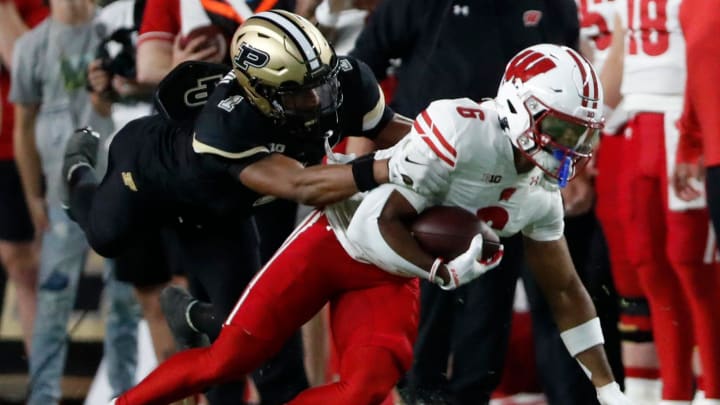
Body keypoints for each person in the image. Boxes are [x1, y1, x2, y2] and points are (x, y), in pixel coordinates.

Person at [110, 43, 632, 405]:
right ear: (521, 107)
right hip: (338, 237)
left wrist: (606, 385)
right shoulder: (460, 132)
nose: (573, 146)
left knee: (364, 389)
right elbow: (379, 223)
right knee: (225, 360)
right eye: (562, 127)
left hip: (388, 273)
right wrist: (442, 271)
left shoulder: (540, 197)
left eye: (582, 133)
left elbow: (566, 291)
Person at [62, 9, 414, 404]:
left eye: (321, 83)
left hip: (219, 211)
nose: (316, 98)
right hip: (149, 175)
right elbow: (302, 185)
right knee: (104, 236)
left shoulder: (345, 79)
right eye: (298, 91)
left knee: (247, 340)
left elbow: (392, 129)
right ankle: (76, 171)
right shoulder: (227, 122)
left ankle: (194, 317)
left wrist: (446, 146)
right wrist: (386, 168)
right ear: (259, 93)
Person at [350, 1, 609, 403]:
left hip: (515, 177)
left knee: (491, 321)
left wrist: (566, 160)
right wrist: (360, 168)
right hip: (430, 178)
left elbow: (572, 81)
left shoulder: (555, 6)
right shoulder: (419, 19)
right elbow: (361, 74)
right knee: (421, 326)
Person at [8, 0, 128, 403]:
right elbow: (23, 126)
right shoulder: (32, 47)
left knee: (124, 296)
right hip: (62, 193)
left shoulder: (109, 31)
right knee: (54, 296)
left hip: (118, 186)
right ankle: (42, 396)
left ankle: (125, 392)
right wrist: (32, 194)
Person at [601, 1, 720, 403]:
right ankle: (670, 393)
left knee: (692, 264)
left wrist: (698, 129)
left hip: (682, 121)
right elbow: (622, 50)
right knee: (647, 261)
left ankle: (713, 389)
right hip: (638, 123)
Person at [577, 0, 659, 402]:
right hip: (611, 139)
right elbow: (584, 56)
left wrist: (584, 133)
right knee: (632, 282)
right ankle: (647, 393)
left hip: (658, 121)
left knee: (675, 278)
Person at [0, 0, 48, 357]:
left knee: (23, 263)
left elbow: (26, 68)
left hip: (17, 151)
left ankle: (42, 386)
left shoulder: (35, 8)